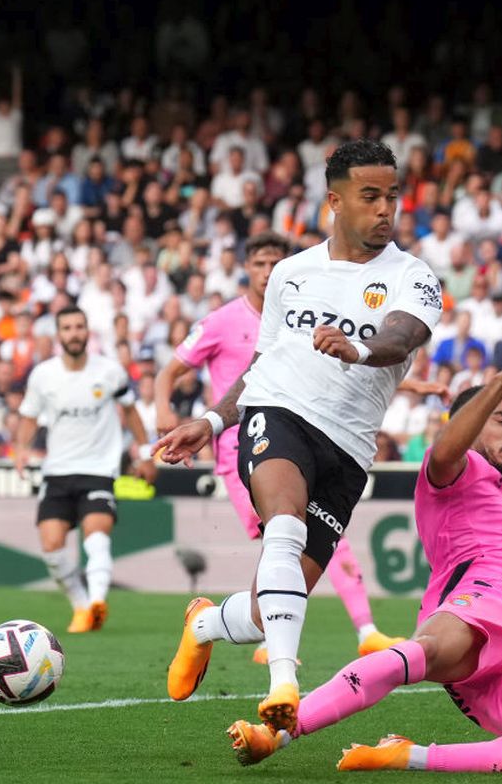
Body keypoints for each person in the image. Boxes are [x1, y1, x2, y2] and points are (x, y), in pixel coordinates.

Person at [156, 139, 442, 736]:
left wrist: (357, 348)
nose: (386, 208)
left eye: (393, 195)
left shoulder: (414, 278)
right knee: (282, 525)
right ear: (335, 202)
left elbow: (401, 337)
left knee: (270, 608)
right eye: (371, 197)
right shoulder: (291, 274)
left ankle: (204, 624)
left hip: (349, 448)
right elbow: (264, 365)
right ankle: (284, 683)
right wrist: (210, 422)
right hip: (278, 410)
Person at [224, 351, 502, 775]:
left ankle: (408, 755)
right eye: (501, 419)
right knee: (425, 651)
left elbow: (476, 547)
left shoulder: (497, 487)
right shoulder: (455, 468)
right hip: (479, 604)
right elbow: (444, 452)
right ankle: (277, 732)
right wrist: (501, 380)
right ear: (474, 421)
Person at [154, 230, 411, 660]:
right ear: (247, 270)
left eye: (274, 262)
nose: (267, 271)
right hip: (244, 440)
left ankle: (262, 626)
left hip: (314, 439)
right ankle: (289, 661)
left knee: (297, 553)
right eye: (258, 264)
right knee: (284, 538)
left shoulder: (306, 308)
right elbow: (169, 371)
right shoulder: (222, 321)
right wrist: (168, 410)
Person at [14, 305, 156, 634]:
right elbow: (29, 417)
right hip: (58, 471)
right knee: (51, 547)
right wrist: (21, 449)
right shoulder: (43, 375)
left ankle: (97, 601)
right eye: (67, 328)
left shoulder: (109, 371)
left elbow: (130, 411)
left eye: (79, 327)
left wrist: (145, 452)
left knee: (97, 537)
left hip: (99, 469)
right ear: (59, 334)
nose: (74, 333)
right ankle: (81, 606)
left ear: (87, 331)